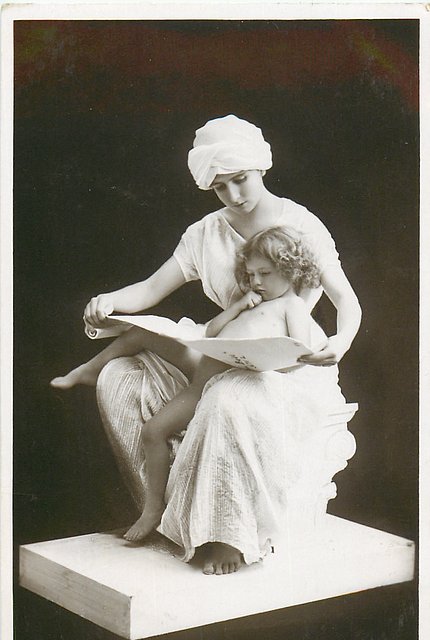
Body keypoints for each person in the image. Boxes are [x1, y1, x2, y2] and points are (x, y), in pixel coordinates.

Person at [52, 115, 362, 575]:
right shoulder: (205, 233)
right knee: (124, 374)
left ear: (261, 167)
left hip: (285, 368)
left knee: (227, 397)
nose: (233, 195)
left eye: (240, 179)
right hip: (222, 348)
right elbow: (151, 289)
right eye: (220, 187)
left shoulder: (300, 226)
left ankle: (226, 535)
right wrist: (108, 301)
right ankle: (164, 512)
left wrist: (341, 340)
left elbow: (346, 301)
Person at [120, 227, 321, 543]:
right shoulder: (249, 300)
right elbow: (211, 333)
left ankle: (219, 531)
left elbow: (299, 354)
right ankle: (153, 507)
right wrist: (238, 307)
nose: (256, 282)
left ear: (290, 270)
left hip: (231, 389)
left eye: (265, 274)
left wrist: (263, 360)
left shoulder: (291, 306)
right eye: (251, 274)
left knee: (208, 439)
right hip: (201, 381)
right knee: (152, 432)